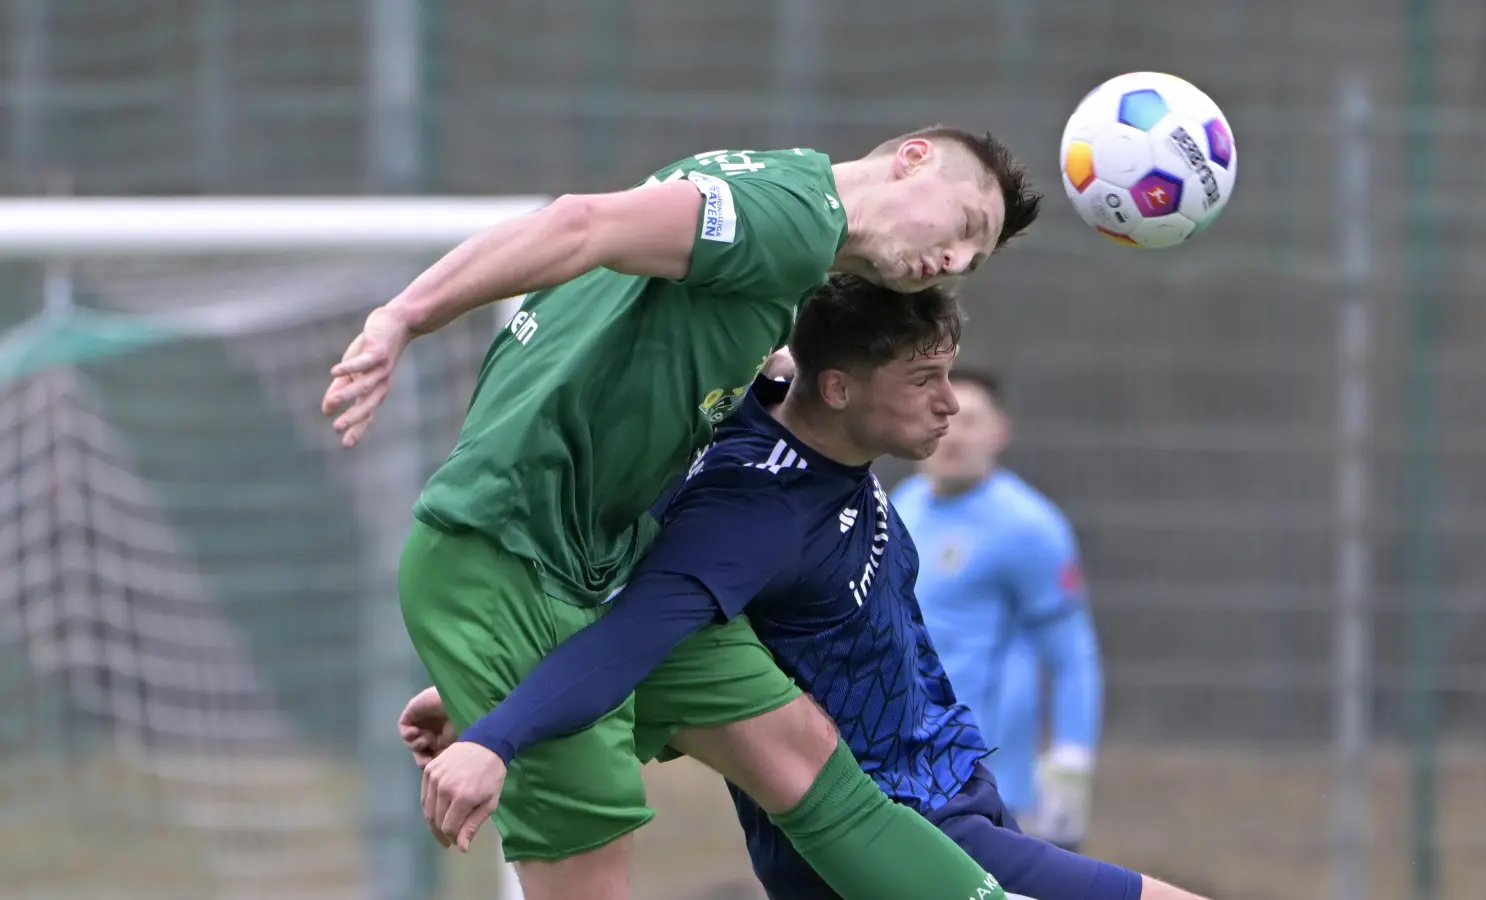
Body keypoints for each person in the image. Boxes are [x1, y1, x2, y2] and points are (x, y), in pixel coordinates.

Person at [321, 128, 1041, 900]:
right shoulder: (792, 217)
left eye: (975, 258)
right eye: (965, 225)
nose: (955, 259)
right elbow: (580, 224)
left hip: (604, 564)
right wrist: (404, 317)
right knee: (590, 875)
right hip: (508, 557)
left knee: (803, 757)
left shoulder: (787, 229)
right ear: (913, 159)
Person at [426, 276, 1212, 900]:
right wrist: (496, 731)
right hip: (886, 832)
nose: (949, 402)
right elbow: (633, 637)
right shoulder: (751, 518)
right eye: (924, 379)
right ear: (837, 389)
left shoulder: (792, 414)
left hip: (952, 791)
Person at [893, 370, 1102, 851]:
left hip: (990, 784)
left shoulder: (1029, 526)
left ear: (999, 432)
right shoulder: (901, 507)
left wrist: (1071, 762)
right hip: (905, 773)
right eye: (942, 418)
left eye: (969, 421)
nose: (953, 435)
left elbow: (1073, 655)